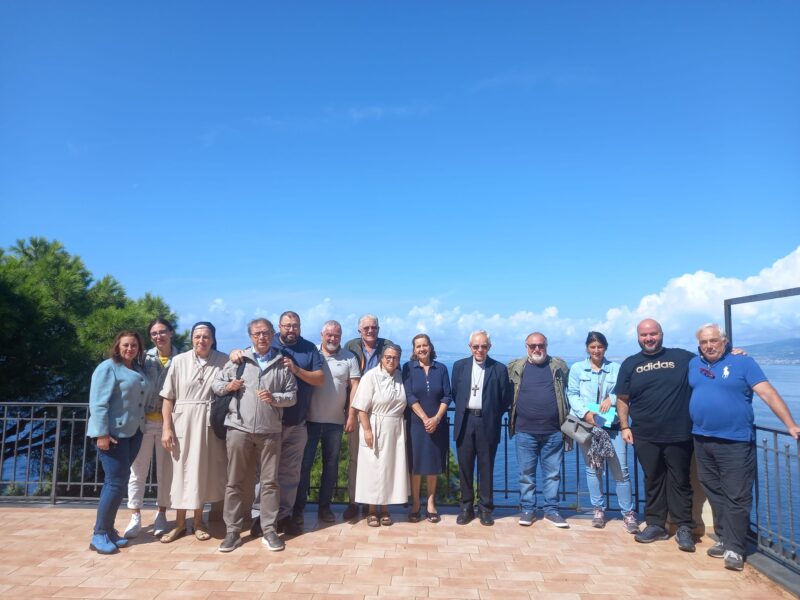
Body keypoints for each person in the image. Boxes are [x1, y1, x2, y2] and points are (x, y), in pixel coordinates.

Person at [689, 323, 800, 571]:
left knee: (737, 495)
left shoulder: (743, 362)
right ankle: (724, 537)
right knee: (714, 491)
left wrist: (791, 424)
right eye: (704, 342)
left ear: (724, 341)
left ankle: (735, 548)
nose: (709, 345)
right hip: (702, 439)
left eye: (714, 340)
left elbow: (767, 393)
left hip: (735, 441)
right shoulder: (693, 364)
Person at [212, 318, 297, 553]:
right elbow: (216, 384)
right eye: (257, 333)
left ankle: (269, 530)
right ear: (250, 337)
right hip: (238, 428)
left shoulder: (282, 363)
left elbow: (292, 396)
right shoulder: (239, 361)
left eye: (266, 333)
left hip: (270, 431)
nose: (262, 337)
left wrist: (275, 398)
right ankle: (232, 531)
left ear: (273, 334)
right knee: (234, 482)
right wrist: (229, 387)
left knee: (270, 483)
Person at [615, 318, 698, 552]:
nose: (649, 338)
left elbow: (711, 356)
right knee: (652, 480)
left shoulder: (682, 357)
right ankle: (655, 524)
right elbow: (622, 398)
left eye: (653, 334)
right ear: (638, 337)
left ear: (661, 334)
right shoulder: (630, 364)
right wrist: (625, 426)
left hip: (679, 432)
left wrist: (732, 351)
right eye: (644, 335)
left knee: (680, 481)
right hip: (645, 434)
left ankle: (684, 527)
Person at [159, 321, 228, 543]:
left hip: (208, 423)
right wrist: (166, 428)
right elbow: (167, 397)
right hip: (182, 422)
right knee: (179, 472)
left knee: (201, 472)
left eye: (206, 337)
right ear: (191, 339)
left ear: (213, 339)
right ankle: (179, 523)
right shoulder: (179, 361)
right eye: (197, 336)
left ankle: (198, 522)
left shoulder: (223, 360)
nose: (201, 341)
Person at [567, 331, 638, 533]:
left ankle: (628, 513)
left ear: (605, 348)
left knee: (621, 470)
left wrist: (611, 399)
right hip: (588, 425)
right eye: (593, 347)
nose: (596, 350)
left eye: (599, 347)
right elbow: (572, 393)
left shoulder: (616, 368)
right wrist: (586, 413)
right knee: (593, 468)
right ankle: (598, 509)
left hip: (612, 426)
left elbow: (624, 390)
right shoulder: (577, 369)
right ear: (587, 348)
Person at [87, 330, 148, 554]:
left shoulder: (137, 369)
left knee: (119, 483)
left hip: (134, 433)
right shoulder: (107, 367)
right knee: (114, 483)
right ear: (117, 346)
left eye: (134, 345)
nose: (130, 349)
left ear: (139, 349)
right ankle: (99, 534)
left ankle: (110, 531)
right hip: (113, 435)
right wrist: (101, 434)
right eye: (126, 345)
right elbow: (98, 403)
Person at [294, 320, 360, 524]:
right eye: (329, 335)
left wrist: (351, 415)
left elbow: (355, 387)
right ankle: (298, 508)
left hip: (335, 421)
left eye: (336, 335)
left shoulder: (349, 357)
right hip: (309, 420)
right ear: (322, 335)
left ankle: (325, 507)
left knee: (331, 467)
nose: (333, 338)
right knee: (304, 466)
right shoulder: (311, 353)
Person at [507, 332, 571, 528]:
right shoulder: (515, 367)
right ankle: (528, 509)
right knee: (526, 474)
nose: (537, 349)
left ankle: (551, 510)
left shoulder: (559, 366)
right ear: (526, 346)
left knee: (553, 474)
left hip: (554, 431)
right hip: (525, 431)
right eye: (533, 345)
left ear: (546, 346)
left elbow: (573, 391)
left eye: (541, 345)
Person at [123, 317, 178, 539]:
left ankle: (161, 514)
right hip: (143, 422)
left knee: (165, 473)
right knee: (138, 471)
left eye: (162, 331)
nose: (158, 336)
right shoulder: (143, 357)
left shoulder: (181, 358)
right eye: (154, 333)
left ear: (171, 332)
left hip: (168, 424)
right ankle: (135, 515)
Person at [452, 330, 512, 526]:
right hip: (465, 421)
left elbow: (504, 398)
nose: (479, 349)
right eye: (476, 346)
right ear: (470, 347)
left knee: (486, 467)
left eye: (483, 346)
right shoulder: (459, 366)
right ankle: (466, 508)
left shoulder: (499, 369)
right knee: (465, 467)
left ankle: (485, 509)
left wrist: (491, 414)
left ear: (489, 347)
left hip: (487, 422)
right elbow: (456, 393)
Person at [342, 314, 396, 521]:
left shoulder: (387, 346)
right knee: (356, 458)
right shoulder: (351, 347)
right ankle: (354, 501)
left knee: (377, 459)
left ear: (378, 329)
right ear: (359, 331)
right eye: (366, 328)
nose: (370, 331)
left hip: (381, 412)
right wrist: (350, 413)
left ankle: (372, 502)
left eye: (374, 327)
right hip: (357, 410)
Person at [351, 343, 409, 526]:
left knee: (389, 469)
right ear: (382, 358)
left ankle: (385, 509)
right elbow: (361, 407)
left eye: (395, 358)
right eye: (388, 357)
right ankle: (371, 510)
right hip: (375, 427)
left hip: (395, 429)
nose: (391, 360)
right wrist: (367, 430)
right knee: (373, 469)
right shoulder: (370, 376)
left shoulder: (400, 377)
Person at [402, 333, 452, 523]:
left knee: (433, 464)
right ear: (414, 350)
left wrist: (436, 419)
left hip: (437, 424)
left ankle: (431, 503)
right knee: (415, 465)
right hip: (416, 424)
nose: (422, 349)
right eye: (418, 346)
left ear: (430, 347)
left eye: (425, 345)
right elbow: (409, 395)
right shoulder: (408, 368)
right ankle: (415, 503)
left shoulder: (441, 368)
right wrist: (425, 418)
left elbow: (447, 395)